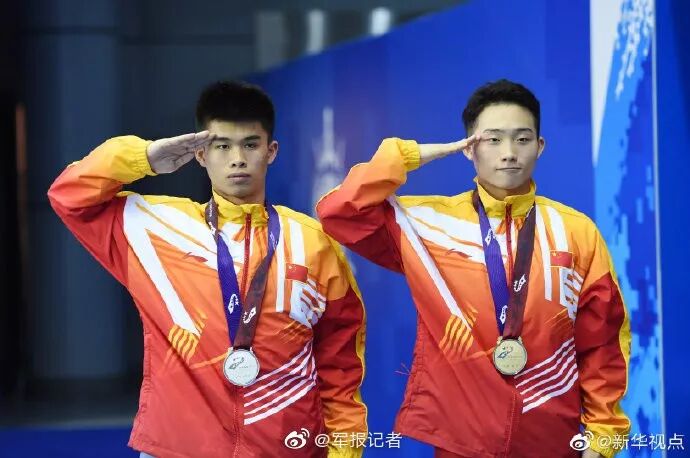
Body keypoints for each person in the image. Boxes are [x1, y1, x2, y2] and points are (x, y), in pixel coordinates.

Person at [48, 81, 367, 458]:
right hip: (177, 449)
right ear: (201, 154)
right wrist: (145, 158)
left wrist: (345, 450)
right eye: (222, 146)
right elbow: (69, 196)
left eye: (250, 144)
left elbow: (340, 364)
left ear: (271, 151)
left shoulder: (313, 243)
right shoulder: (156, 229)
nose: (237, 158)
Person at [316, 79, 630, 457]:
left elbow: (602, 341)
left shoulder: (576, 232)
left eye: (522, 139)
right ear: (469, 148)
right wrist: (410, 155)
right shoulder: (427, 224)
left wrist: (603, 436)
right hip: (461, 442)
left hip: (553, 439)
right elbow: (339, 212)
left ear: (540, 146)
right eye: (492, 140)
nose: (509, 153)